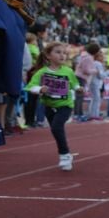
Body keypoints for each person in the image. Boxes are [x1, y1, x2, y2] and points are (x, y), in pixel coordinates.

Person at [26, 42, 82, 171]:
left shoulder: (68, 71)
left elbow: (75, 84)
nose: (62, 55)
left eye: (64, 53)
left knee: (57, 127)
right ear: (48, 55)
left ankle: (64, 155)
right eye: (58, 52)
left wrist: (79, 89)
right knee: (56, 131)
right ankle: (66, 153)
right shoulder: (42, 72)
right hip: (48, 105)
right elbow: (30, 87)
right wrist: (40, 89)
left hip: (65, 105)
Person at [85, 43, 105, 121]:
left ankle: (92, 114)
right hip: (95, 83)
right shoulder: (98, 63)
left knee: (94, 99)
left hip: (92, 83)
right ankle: (94, 114)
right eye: (101, 55)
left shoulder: (93, 62)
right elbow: (101, 76)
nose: (102, 57)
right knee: (96, 99)